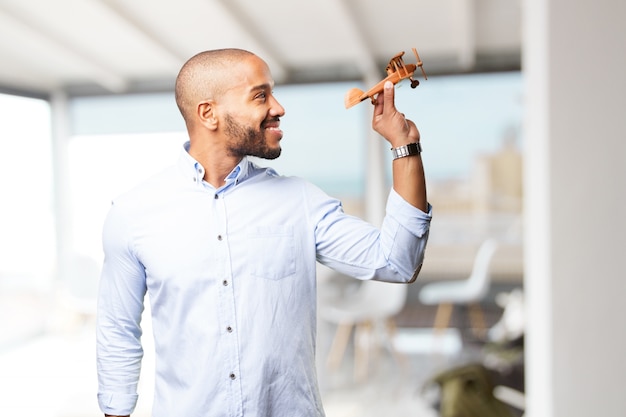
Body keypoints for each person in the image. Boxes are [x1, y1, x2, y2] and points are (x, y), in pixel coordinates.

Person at [96, 48, 432, 417]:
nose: (278, 107)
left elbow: (397, 261)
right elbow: (118, 332)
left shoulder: (299, 201)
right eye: (260, 95)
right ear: (208, 113)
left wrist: (405, 147)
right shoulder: (133, 214)